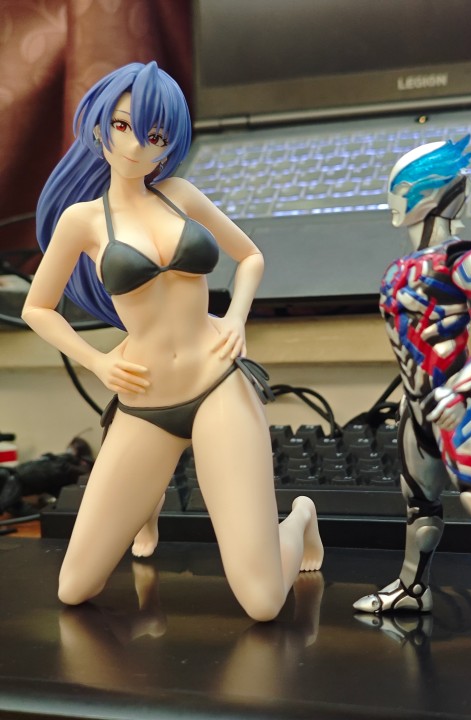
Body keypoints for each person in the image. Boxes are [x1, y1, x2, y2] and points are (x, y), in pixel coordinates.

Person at [22, 61, 323, 622]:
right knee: (74, 587)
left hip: (216, 383)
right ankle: (148, 502)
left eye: (155, 135)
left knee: (262, 602)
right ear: (99, 128)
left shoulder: (180, 194)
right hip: (143, 397)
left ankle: (300, 517)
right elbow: (36, 309)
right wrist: (96, 363)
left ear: (169, 145)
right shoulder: (82, 221)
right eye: (123, 126)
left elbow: (250, 256)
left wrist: (235, 318)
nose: (137, 146)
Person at [352, 135, 471, 692]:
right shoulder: (400, 268)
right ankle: (413, 589)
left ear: (430, 195)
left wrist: (458, 389)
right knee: (420, 508)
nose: (394, 200)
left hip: (459, 407)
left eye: (402, 189)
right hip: (418, 408)